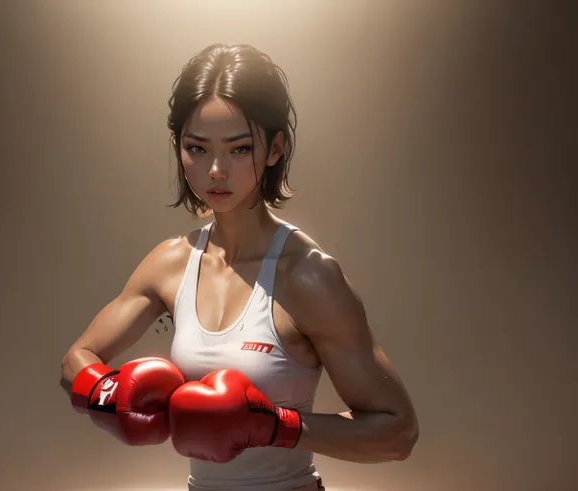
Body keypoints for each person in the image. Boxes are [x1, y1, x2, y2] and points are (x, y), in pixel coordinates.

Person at [60, 43, 419, 491]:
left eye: (239, 148)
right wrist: (108, 394)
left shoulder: (305, 275)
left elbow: (397, 432)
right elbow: (76, 362)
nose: (215, 170)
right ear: (179, 148)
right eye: (197, 147)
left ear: (275, 148)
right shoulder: (170, 264)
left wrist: (277, 427)